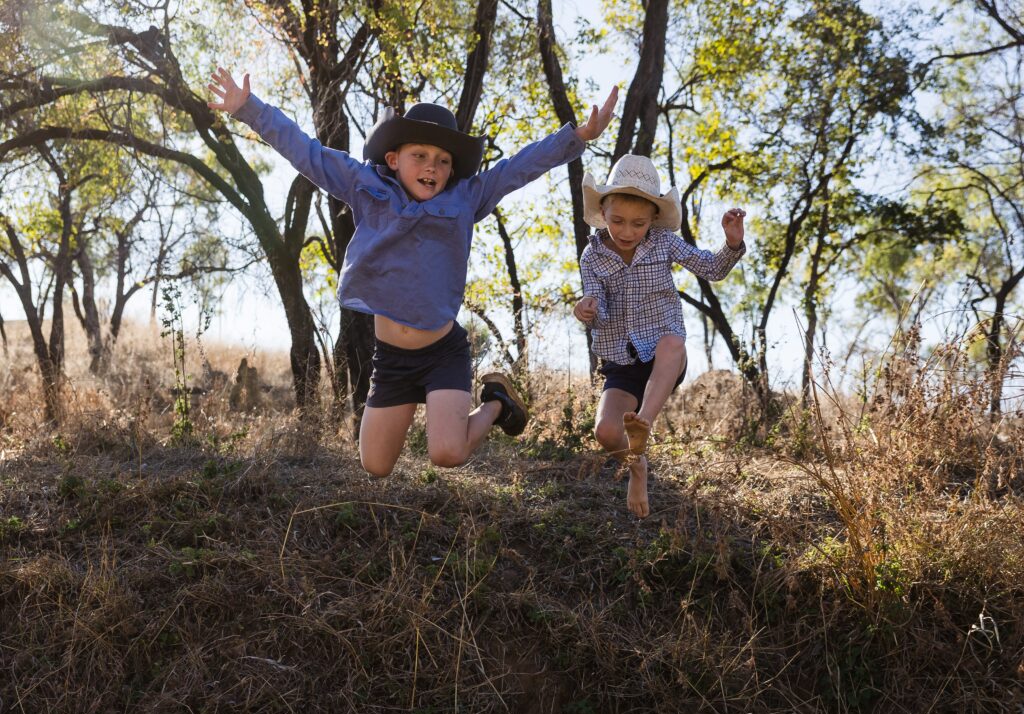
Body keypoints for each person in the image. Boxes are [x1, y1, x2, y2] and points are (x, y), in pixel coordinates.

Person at [208, 68, 618, 477]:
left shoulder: (466, 198)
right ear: (393, 158)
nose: (432, 167)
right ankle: (482, 402)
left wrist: (576, 138)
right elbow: (307, 152)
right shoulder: (364, 186)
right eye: (419, 155)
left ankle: (496, 402)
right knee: (375, 465)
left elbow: (516, 169)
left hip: (442, 353)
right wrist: (250, 109)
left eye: (442, 161)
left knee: (447, 453)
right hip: (390, 359)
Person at [573, 155, 746, 518]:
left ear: (653, 219)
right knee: (605, 432)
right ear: (603, 212)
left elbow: (711, 268)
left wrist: (731, 244)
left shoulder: (664, 242)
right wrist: (587, 306)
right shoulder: (593, 256)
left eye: (638, 223)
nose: (627, 231)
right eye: (618, 220)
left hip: (663, 355)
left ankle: (644, 425)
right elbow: (597, 303)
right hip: (621, 359)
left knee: (672, 341)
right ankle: (638, 462)